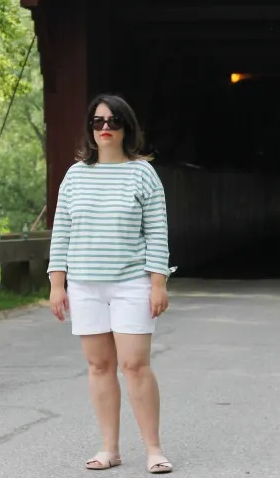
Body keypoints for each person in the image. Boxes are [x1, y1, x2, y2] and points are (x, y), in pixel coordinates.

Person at [47, 94, 174, 474]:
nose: (105, 128)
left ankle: (153, 449)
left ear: (126, 128)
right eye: (98, 122)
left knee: (134, 365)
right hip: (85, 286)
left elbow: (157, 232)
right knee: (99, 365)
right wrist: (58, 284)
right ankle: (110, 448)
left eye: (113, 121)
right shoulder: (75, 175)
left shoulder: (142, 173)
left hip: (131, 284)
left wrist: (158, 283)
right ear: (90, 128)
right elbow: (62, 232)